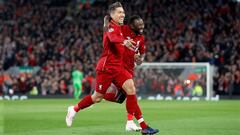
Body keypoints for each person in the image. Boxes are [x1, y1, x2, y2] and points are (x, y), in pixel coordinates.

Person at [65, 2, 159, 134]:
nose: (123, 14)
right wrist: (124, 41)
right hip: (106, 67)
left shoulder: (119, 27)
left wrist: (136, 57)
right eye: (120, 12)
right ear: (113, 14)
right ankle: (74, 109)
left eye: (123, 12)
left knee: (131, 89)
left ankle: (130, 123)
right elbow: (113, 38)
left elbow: (128, 44)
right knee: (97, 97)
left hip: (119, 68)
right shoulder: (111, 27)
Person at [102, 15, 146, 132]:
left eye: (142, 24)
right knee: (131, 92)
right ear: (131, 25)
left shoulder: (141, 38)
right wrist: (106, 22)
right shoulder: (123, 29)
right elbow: (111, 34)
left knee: (121, 98)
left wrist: (140, 59)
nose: (142, 26)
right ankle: (139, 124)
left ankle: (100, 95)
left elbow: (142, 54)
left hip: (130, 69)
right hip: (119, 67)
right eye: (139, 24)